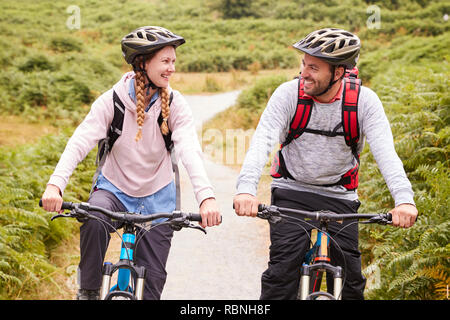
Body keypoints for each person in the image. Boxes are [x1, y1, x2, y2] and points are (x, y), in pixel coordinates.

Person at [233, 28, 418, 300]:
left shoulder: (364, 102)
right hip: (291, 194)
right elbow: (261, 142)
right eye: (304, 64)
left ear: (339, 72)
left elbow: (386, 154)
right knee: (280, 276)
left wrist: (404, 200)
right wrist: (246, 189)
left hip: (339, 196)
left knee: (351, 284)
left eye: (314, 68)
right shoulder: (288, 95)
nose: (304, 73)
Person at [41, 26, 221, 300]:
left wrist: (206, 197)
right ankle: (88, 292)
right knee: (94, 218)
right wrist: (55, 185)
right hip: (113, 190)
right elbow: (79, 142)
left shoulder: (174, 104)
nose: (172, 68)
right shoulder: (112, 101)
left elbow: (189, 151)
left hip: (158, 198)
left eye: (173, 61)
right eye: (165, 61)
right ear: (143, 62)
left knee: (152, 288)